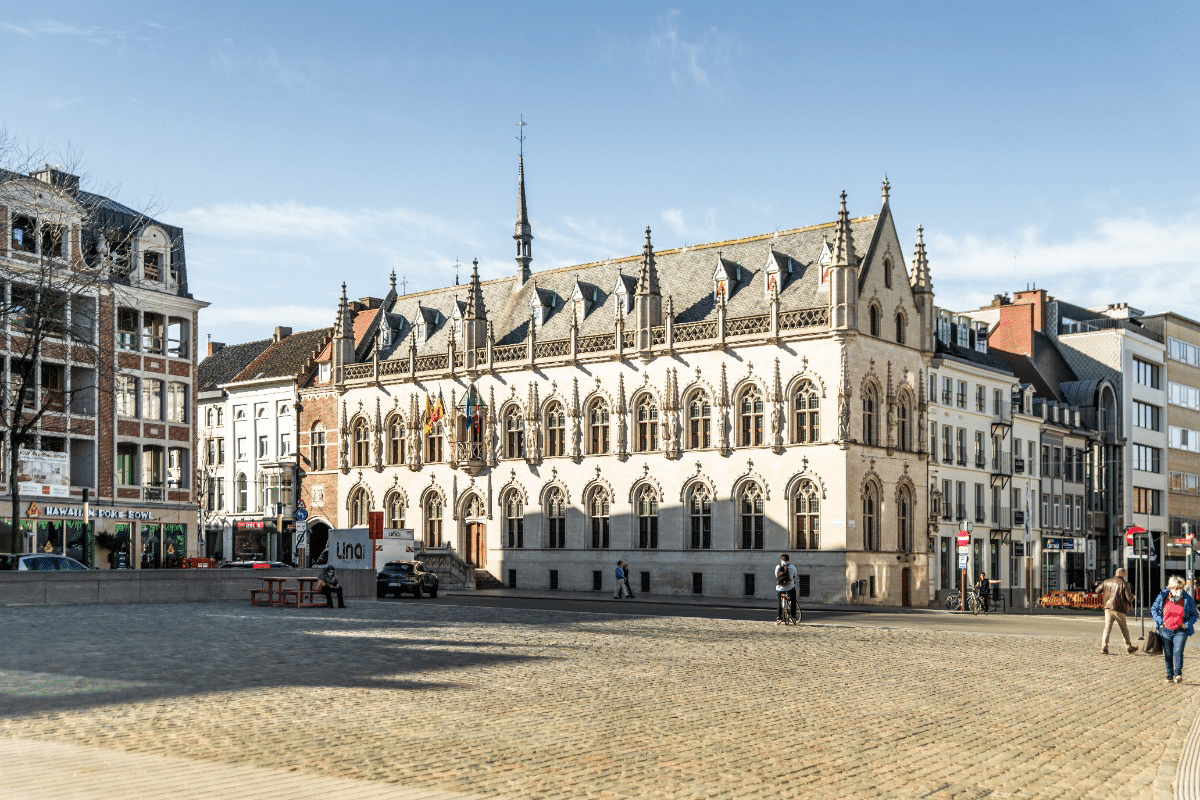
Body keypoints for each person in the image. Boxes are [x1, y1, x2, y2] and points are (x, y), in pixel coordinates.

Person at [1152, 575, 1198, 684]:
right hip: (1165, 630)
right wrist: (1160, 621)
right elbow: (1154, 609)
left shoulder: (1187, 599)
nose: (1177, 590)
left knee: (1178, 651)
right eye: (1174, 588)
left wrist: (1187, 624)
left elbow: (1194, 615)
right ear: (1170, 588)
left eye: (1179, 588)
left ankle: (1178, 674)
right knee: (1168, 653)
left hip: (1180, 631)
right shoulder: (1163, 596)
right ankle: (1169, 675)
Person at [1096, 567, 1138, 655]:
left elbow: (1097, 590)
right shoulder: (1125, 584)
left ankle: (1104, 646)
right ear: (1122, 574)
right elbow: (1129, 598)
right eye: (1125, 573)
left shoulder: (1107, 581)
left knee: (1107, 628)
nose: (1125, 575)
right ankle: (1128, 647)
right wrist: (1134, 597)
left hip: (1108, 607)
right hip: (1119, 609)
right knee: (1124, 629)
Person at [774, 554, 798, 624]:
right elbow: (795, 576)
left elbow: (776, 575)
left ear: (781, 560)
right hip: (790, 587)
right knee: (793, 601)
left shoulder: (778, 567)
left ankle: (779, 618)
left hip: (780, 588)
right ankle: (793, 617)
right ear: (788, 560)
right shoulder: (792, 567)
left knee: (779, 602)